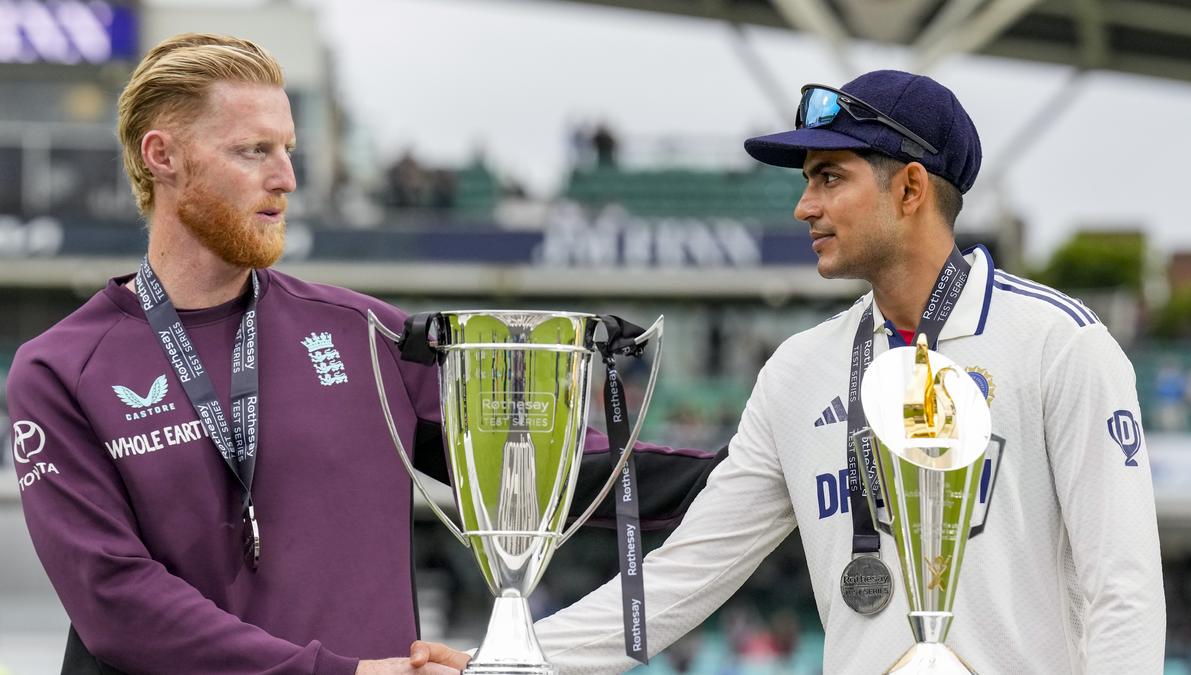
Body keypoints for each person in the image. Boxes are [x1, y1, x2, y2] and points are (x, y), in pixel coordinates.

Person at [6, 34, 722, 675]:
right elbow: (115, 601)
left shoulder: (364, 334)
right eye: (253, 151)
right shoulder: (61, 370)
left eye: (288, 150)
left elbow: (554, 467)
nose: (286, 178)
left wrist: (753, 471)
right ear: (162, 157)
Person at [415, 70, 1167, 673]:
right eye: (807, 180)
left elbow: (1124, 590)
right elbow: (684, 574)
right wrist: (506, 660)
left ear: (910, 189)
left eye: (830, 177)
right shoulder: (800, 369)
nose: (805, 205)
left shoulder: (1060, 344)